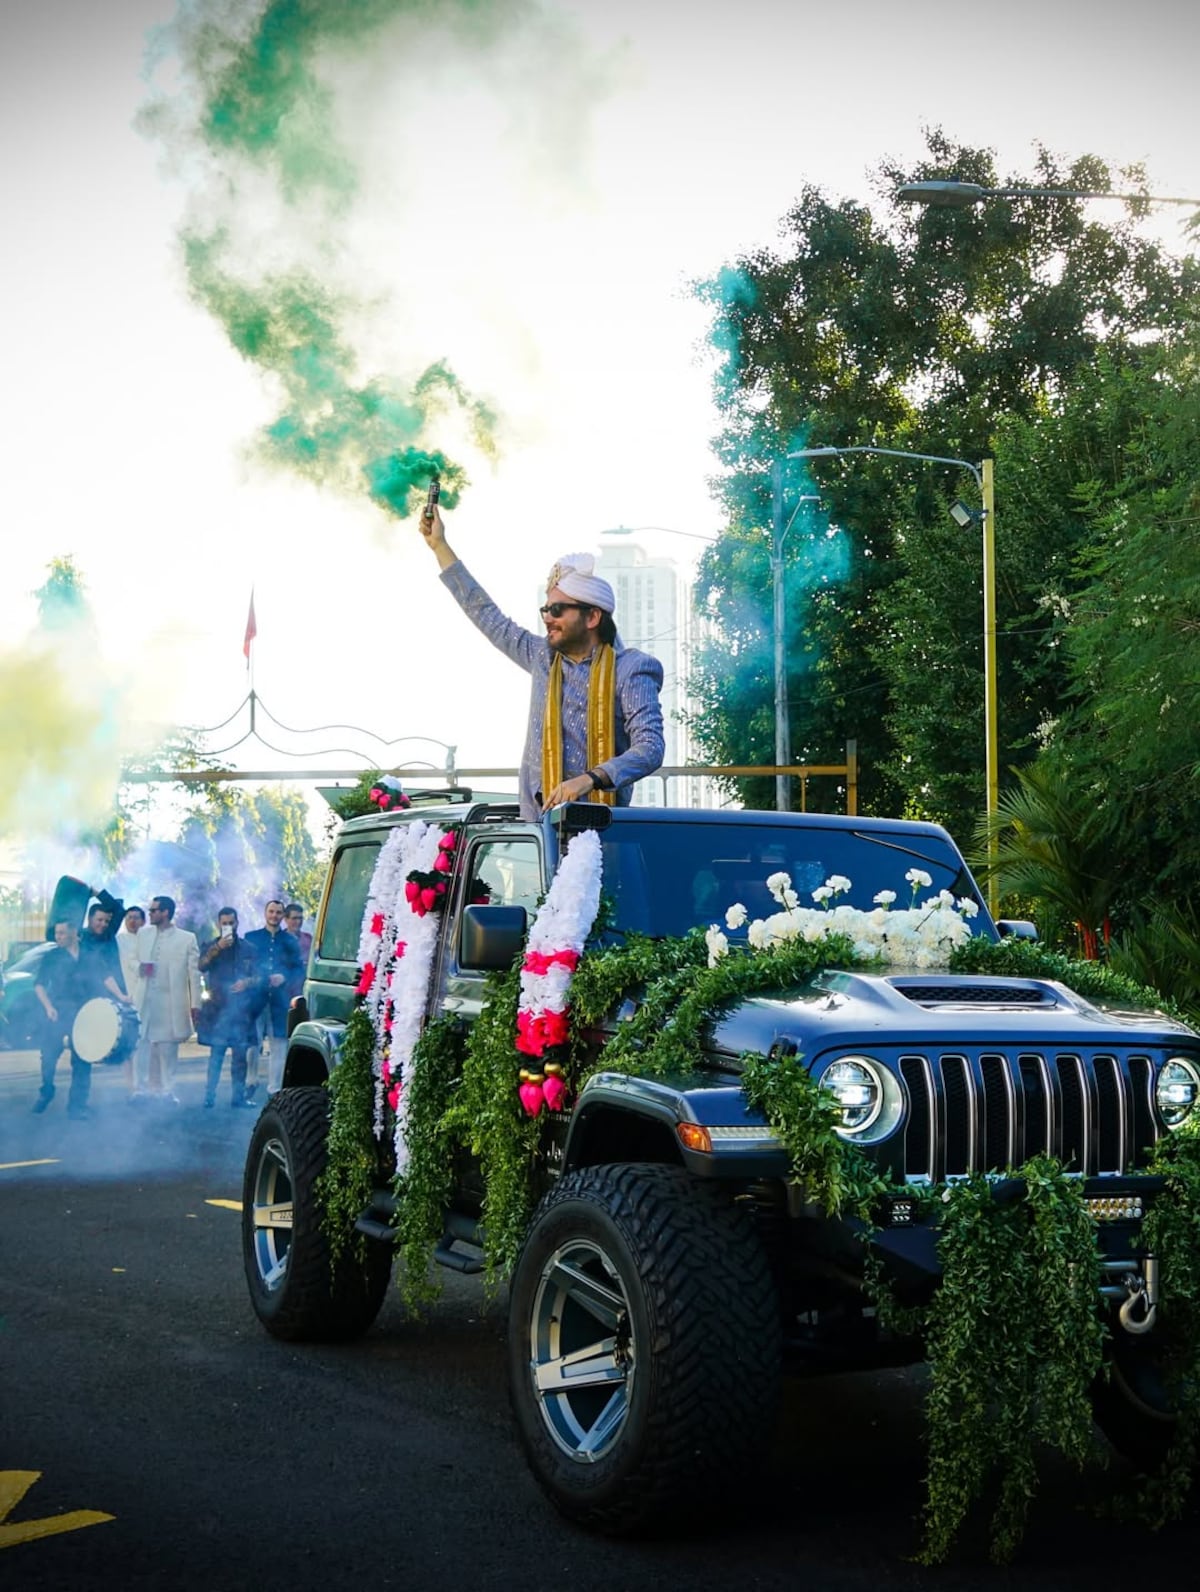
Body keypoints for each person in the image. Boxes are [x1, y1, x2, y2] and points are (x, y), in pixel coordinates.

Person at [420, 504, 665, 817]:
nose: (548, 617)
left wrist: (589, 781)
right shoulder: (542, 659)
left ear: (592, 616)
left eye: (558, 610)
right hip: (537, 836)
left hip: (600, 834)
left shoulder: (631, 669)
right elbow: (485, 614)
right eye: (546, 609)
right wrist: (440, 546)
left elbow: (650, 748)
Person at [134, 895, 202, 1104]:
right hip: (146, 999)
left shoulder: (186, 938)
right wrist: (139, 967)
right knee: (142, 1044)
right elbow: (131, 960)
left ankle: (167, 1090)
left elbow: (194, 974)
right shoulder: (143, 934)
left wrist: (195, 1004)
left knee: (168, 1048)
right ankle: (141, 1089)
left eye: (154, 910)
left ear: (165, 912)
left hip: (171, 1000)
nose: (150, 913)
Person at [31, 919, 96, 1118]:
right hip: (58, 1011)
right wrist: (48, 1007)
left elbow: (101, 979)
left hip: (83, 1012)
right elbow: (39, 985)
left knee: (83, 1058)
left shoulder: (88, 954)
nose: (57, 937)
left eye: (61, 933)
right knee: (49, 1055)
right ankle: (47, 1089)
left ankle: (78, 1106)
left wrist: (118, 997)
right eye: (56, 933)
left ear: (73, 933)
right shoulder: (52, 956)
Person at [198, 909, 259, 1108]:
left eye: (231, 922)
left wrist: (247, 982)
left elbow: (261, 977)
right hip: (217, 1009)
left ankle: (238, 1098)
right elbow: (202, 965)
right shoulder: (210, 946)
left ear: (237, 922)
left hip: (241, 1009)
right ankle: (209, 1096)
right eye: (224, 923)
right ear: (218, 924)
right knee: (216, 1054)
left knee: (240, 1056)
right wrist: (218, 947)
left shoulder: (249, 948)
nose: (228, 927)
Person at [243, 899, 304, 1099]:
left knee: (279, 1042)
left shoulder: (289, 941)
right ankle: (251, 1079)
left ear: (282, 916)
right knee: (253, 1041)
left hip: (279, 999)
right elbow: (243, 967)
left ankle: (274, 1089)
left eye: (278, 912)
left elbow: (298, 968)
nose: (274, 916)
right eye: (271, 911)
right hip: (255, 997)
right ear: (265, 913)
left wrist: (284, 976)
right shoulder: (251, 938)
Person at [115, 905, 149, 1095]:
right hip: (126, 996)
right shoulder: (119, 941)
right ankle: (132, 1086)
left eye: (136, 918)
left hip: (147, 996)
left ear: (143, 921)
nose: (132, 921)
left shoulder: (150, 940)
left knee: (145, 1042)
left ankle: (144, 1083)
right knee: (131, 1042)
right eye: (128, 917)